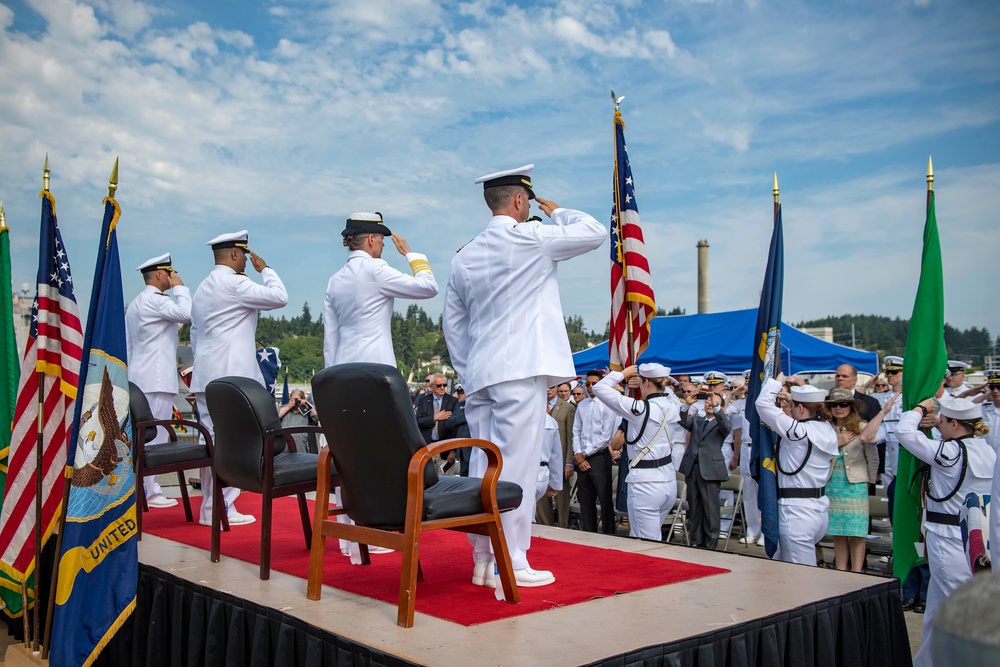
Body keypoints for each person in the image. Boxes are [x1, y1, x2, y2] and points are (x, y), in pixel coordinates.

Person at [443, 164, 604, 589]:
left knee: (482, 462)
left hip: (481, 375)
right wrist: (558, 212)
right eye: (529, 200)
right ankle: (509, 558)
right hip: (520, 369)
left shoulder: (464, 255)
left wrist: (470, 368)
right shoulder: (531, 237)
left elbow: (453, 325)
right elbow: (593, 232)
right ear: (519, 200)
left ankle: (481, 557)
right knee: (516, 464)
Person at [190, 230, 288, 527]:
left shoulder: (202, 287)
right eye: (244, 254)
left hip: (206, 376)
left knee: (212, 442)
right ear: (234, 254)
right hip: (233, 377)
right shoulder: (235, 283)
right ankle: (224, 509)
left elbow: (194, 334)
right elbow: (279, 297)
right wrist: (266, 270)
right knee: (235, 443)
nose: (247, 259)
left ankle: (210, 508)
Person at [896, 396, 995, 667]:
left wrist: (919, 409)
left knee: (959, 613)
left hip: (947, 538)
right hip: (974, 538)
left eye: (941, 422)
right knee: (936, 612)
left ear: (954, 423)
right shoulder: (987, 449)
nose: (937, 425)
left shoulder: (951, 452)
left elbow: (903, 432)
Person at [323, 212, 438, 368]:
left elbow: (330, 339)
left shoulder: (334, 280)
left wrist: (332, 375)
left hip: (342, 368)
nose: (383, 244)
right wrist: (410, 254)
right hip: (377, 368)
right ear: (371, 239)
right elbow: (429, 287)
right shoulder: (376, 269)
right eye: (382, 239)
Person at [125, 253, 190, 509]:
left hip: (140, 377)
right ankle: (151, 491)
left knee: (142, 437)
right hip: (157, 378)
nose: (172, 277)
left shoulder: (136, 303)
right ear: (161, 275)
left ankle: (143, 488)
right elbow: (187, 312)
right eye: (170, 273)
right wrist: (181, 287)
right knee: (157, 437)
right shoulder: (155, 301)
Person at [755, 373, 838, 565]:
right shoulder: (826, 428)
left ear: (800, 408)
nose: (789, 411)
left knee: (802, 578)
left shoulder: (798, 432)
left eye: (791, 407)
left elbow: (762, 405)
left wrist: (776, 383)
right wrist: (791, 398)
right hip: (818, 509)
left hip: (796, 513)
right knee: (781, 569)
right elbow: (808, 407)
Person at [593, 364, 679, 542]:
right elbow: (668, 391)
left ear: (646, 382)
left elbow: (599, 388)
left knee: (643, 541)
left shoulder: (640, 409)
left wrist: (622, 374)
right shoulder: (673, 405)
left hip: (645, 482)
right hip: (668, 479)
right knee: (654, 537)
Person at [826, 387, 878, 572]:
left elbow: (872, 457)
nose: (838, 408)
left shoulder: (863, 428)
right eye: (834, 405)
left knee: (857, 532)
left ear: (852, 407)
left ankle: (857, 572)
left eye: (843, 404)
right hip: (833, 482)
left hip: (856, 484)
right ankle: (840, 570)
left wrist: (869, 480)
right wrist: (836, 442)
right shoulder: (826, 428)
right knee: (838, 532)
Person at [677, 388, 732, 549]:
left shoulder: (721, 421)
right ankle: (696, 539)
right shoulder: (697, 420)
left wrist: (717, 407)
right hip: (693, 467)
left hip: (710, 469)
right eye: (708, 401)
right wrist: (686, 405)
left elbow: (726, 427)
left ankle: (711, 541)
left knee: (710, 507)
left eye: (714, 402)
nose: (709, 404)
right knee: (694, 506)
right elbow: (682, 421)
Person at [572, 370, 620, 534]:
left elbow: (606, 437)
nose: (591, 387)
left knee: (604, 498)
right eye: (588, 384)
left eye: (594, 384)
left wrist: (584, 454)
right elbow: (576, 431)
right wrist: (579, 454)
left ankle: (608, 533)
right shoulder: (582, 405)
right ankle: (588, 532)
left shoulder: (607, 405)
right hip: (582, 456)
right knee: (585, 498)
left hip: (599, 456)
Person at [537, 383, 576, 527]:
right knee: (541, 500)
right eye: (546, 386)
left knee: (561, 498)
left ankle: (563, 526)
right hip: (540, 461)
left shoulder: (568, 407)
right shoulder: (535, 406)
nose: (548, 389)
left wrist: (569, 462)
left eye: (552, 386)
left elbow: (570, 436)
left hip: (561, 461)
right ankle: (545, 526)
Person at [415, 374, 459, 473]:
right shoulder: (424, 401)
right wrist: (435, 417)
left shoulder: (453, 401)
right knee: (427, 479)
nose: (442, 388)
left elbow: (455, 428)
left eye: (444, 385)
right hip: (427, 447)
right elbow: (418, 422)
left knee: (446, 483)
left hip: (445, 449)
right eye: (439, 385)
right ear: (431, 386)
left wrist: (453, 451)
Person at [277, 389, 318, 454]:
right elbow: (275, 417)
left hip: (301, 448)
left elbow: (317, 419)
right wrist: (289, 406)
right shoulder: (284, 408)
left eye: (297, 399)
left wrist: (306, 404)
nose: (295, 402)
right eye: (293, 399)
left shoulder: (307, 410)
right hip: (284, 448)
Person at [536, 411, 563, 508]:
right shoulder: (551, 421)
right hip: (541, 475)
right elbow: (556, 455)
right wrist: (555, 483)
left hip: (526, 474)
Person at [982, 370, 1000, 454]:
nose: (995, 391)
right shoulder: (983, 410)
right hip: (987, 460)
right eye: (992, 387)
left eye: (999, 387)